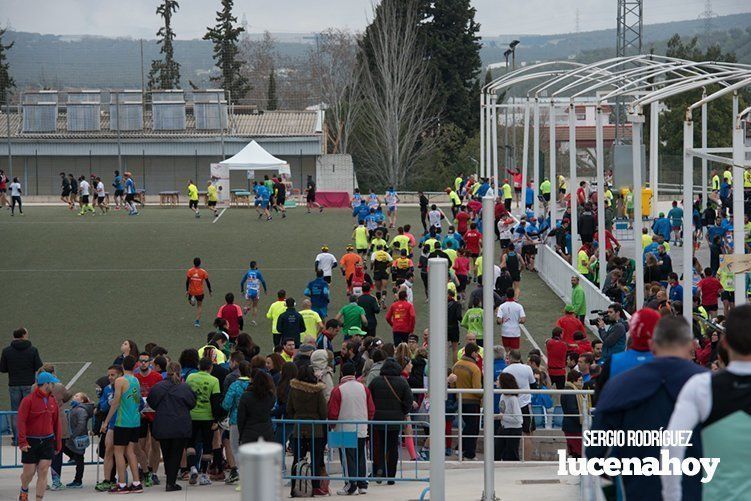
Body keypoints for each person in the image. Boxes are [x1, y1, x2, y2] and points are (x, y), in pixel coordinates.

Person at [587, 316, 705, 501]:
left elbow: (595, 450)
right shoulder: (711, 383)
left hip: (637, 486)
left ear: (654, 344)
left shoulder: (618, 383)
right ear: (691, 345)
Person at [147, 361, 196, 492]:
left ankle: (170, 480)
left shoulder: (158, 387)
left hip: (162, 425)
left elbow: (151, 403)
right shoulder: (185, 388)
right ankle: (171, 482)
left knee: (167, 453)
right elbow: (192, 403)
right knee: (176, 454)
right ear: (180, 372)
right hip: (180, 425)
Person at [328, 361, 375, 495]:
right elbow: (371, 408)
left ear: (342, 373)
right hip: (361, 427)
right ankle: (362, 484)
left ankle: (351, 484)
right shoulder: (364, 388)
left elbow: (332, 412)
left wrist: (332, 425)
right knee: (361, 456)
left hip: (344, 427)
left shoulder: (338, 390)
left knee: (347, 458)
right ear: (355, 373)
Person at [100, 355, 144, 494]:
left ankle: (122, 484)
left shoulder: (120, 381)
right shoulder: (136, 380)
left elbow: (116, 402)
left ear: (123, 366)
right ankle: (136, 483)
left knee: (118, 452)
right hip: (135, 421)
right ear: (135, 366)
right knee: (130, 452)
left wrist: (106, 422)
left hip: (123, 422)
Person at [16, 371, 62, 501]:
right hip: (31, 442)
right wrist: (22, 442)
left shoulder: (53, 401)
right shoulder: (28, 401)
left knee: (43, 471)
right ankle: (24, 489)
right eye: (52, 383)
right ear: (46, 384)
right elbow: (21, 421)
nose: (54, 386)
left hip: (48, 441)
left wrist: (57, 444)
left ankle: (38, 499)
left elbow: (56, 423)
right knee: (28, 474)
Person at [368, 358, 414, 482]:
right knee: (393, 446)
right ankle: (390, 476)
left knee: (380, 445)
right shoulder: (402, 382)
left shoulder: (375, 382)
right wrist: (402, 412)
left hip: (378, 420)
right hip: (395, 420)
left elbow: (369, 399)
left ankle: (379, 469)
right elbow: (409, 400)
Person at [287, 366, 329, 496]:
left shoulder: (294, 390)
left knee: (297, 458)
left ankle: (295, 486)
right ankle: (315, 486)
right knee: (316, 458)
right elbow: (323, 411)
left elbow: (289, 409)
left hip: (299, 427)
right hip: (315, 428)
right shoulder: (317, 391)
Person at [1, 327, 43, 445]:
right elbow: (38, 367)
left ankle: (17, 438)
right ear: (24, 335)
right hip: (29, 384)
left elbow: (3, 368)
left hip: (14, 384)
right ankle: (30, 437)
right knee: (30, 410)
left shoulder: (6, 351)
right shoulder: (32, 350)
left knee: (16, 412)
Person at [185, 357, 220, 486]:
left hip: (191, 415)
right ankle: (204, 475)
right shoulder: (214, 380)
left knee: (190, 443)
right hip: (207, 417)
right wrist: (216, 419)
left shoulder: (190, 378)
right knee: (207, 445)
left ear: (199, 366)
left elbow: (186, 395)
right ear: (210, 368)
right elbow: (215, 401)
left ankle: (193, 467)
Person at [134, 352, 164, 487]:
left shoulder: (157, 377)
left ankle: (154, 473)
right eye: (141, 361)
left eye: (146, 361)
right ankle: (144, 469)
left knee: (155, 444)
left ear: (150, 362)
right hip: (140, 415)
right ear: (138, 362)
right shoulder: (135, 377)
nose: (143, 363)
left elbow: (161, 395)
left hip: (155, 415)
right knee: (140, 445)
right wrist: (137, 410)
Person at [502, 350, 537, 460]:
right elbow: (533, 384)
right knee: (527, 434)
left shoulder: (506, 370)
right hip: (525, 403)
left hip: (512, 404)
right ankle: (526, 461)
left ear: (511, 358)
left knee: (512, 433)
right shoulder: (527, 368)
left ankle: (512, 458)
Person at [452, 342, 482, 460]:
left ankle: (461, 449)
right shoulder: (475, 368)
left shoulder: (456, 365)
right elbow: (476, 389)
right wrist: (483, 396)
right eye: (477, 354)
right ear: (473, 353)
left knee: (468, 426)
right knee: (473, 428)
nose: (478, 356)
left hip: (460, 400)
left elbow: (453, 384)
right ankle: (468, 452)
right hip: (472, 402)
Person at [237, 369, 276, 445]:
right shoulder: (270, 396)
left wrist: (241, 434)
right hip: (267, 432)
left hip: (249, 433)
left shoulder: (246, 396)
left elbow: (240, 418)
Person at [495, 372, 523, 461]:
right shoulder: (502, 396)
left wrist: (502, 417)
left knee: (511, 455)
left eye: (498, 380)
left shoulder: (513, 399)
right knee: (496, 452)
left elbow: (519, 419)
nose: (496, 382)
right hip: (504, 428)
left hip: (513, 430)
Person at [186, 257, 212, 328]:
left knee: (191, 303)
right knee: (199, 306)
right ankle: (197, 321)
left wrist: (186, 290)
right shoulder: (203, 272)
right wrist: (210, 290)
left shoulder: (190, 271)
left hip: (192, 291)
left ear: (193, 263)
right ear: (200, 263)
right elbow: (207, 282)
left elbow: (187, 281)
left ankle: (192, 299)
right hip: (200, 292)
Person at [447, 289, 463, 363]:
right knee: (455, 349)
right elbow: (458, 316)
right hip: (454, 327)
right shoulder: (457, 304)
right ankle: (454, 366)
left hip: (444, 328)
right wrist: (462, 321)